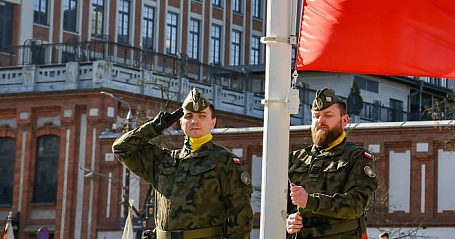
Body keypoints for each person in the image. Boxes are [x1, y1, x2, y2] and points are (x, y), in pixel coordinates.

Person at [112, 88, 254, 239]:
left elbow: (241, 216)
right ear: (181, 122)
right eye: (189, 116)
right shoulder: (164, 160)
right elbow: (121, 148)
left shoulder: (225, 161)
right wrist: (154, 127)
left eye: (202, 116)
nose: (194, 121)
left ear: (213, 122)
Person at [286, 88, 378, 238]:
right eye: (316, 116)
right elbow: (281, 204)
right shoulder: (296, 158)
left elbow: (355, 205)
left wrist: (311, 201)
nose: (320, 121)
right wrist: (287, 220)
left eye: (328, 115)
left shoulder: (357, 157)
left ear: (344, 120)